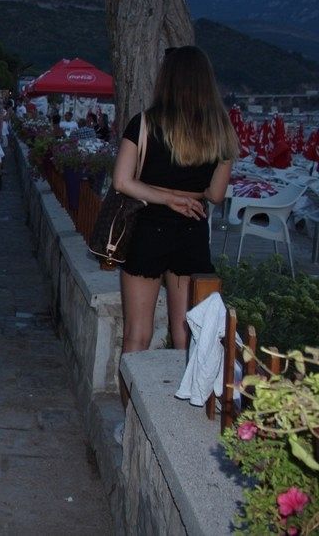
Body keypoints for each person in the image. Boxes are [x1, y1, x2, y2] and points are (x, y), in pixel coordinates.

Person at [112, 45, 237, 408]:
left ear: (166, 79)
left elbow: (122, 181)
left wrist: (165, 197)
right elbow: (215, 195)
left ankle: (130, 421)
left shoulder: (144, 123)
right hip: (191, 232)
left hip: (148, 230)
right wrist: (184, 195)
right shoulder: (221, 131)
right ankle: (186, 414)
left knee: (137, 336)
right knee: (188, 337)